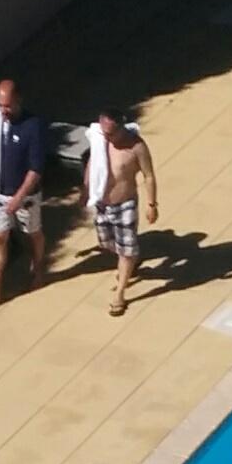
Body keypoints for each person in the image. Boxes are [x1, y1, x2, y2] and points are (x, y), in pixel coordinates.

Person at [0, 75, 48, 306]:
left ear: (18, 101)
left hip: (26, 195)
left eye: (7, 106)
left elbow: (35, 170)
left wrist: (19, 197)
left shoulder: (33, 126)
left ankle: (39, 270)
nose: (3, 111)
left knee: (32, 233)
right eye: (0, 105)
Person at [85, 111, 158, 317]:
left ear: (121, 127)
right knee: (107, 243)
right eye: (104, 132)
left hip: (125, 204)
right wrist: (85, 190)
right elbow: (92, 163)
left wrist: (152, 204)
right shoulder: (100, 140)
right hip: (102, 203)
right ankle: (131, 258)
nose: (107, 137)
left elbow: (149, 175)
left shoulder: (136, 147)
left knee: (126, 250)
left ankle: (120, 293)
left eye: (111, 133)